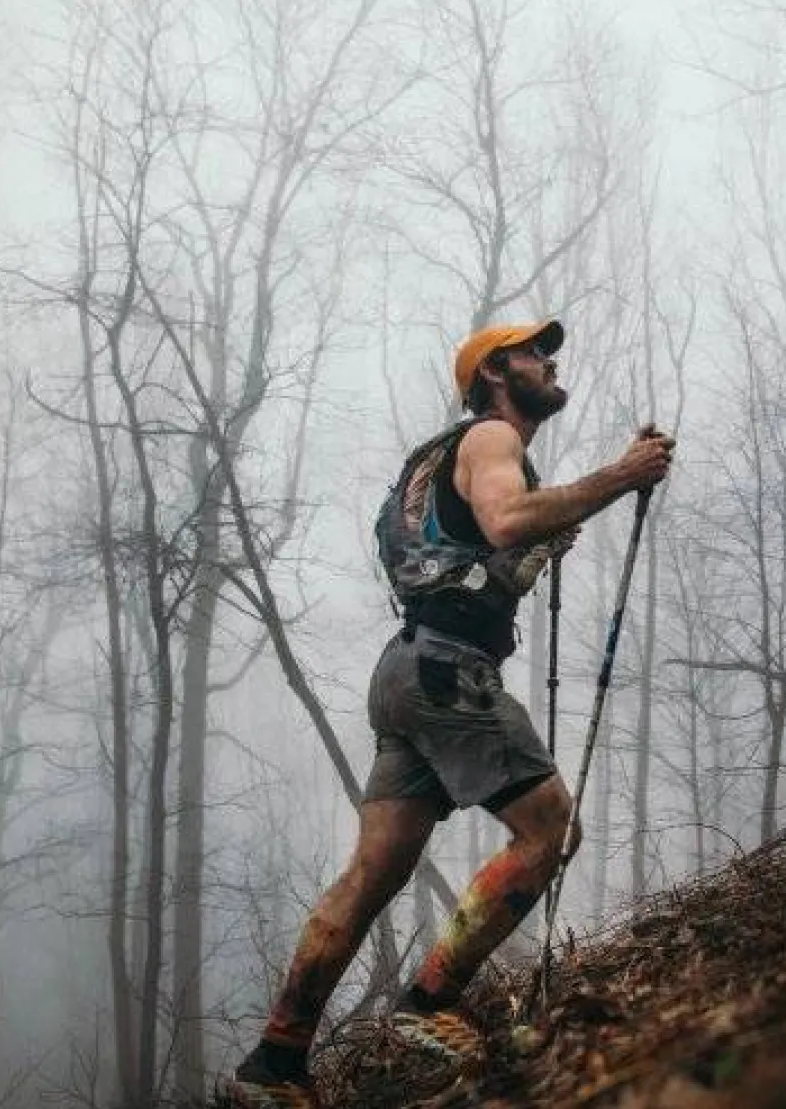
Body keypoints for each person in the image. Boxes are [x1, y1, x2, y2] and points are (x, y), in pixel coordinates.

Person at [230, 319, 675, 1108]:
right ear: (497, 371)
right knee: (550, 831)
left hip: (406, 670)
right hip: (446, 672)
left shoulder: (433, 461)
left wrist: (529, 558)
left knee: (371, 874)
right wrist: (622, 472)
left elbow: (481, 552)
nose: (550, 361)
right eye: (536, 352)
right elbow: (506, 520)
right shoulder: (492, 437)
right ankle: (431, 1002)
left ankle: (273, 1062)